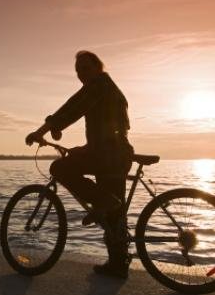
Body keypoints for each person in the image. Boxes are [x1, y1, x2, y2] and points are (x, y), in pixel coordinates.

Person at [25, 50, 134, 279]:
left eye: (85, 68)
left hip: (107, 153)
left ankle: (104, 201)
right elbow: (98, 124)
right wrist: (72, 141)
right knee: (114, 214)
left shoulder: (98, 86)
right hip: (116, 153)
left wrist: (40, 131)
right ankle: (118, 265)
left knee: (59, 168)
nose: (81, 74)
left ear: (98, 68)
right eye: (77, 70)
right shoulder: (108, 88)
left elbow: (72, 108)